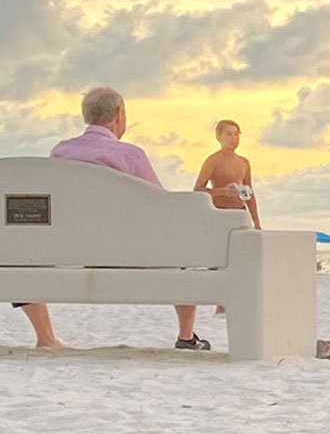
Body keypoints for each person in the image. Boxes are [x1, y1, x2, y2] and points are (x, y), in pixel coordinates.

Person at [32, 88, 207, 350]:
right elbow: (163, 207)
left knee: (27, 249)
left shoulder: (60, 152)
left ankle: (45, 338)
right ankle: (186, 337)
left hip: (71, 253)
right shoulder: (130, 155)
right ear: (119, 115)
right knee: (182, 253)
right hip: (128, 256)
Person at [193, 119, 261, 226]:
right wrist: (222, 191)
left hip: (240, 212)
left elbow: (250, 195)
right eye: (229, 134)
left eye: (236, 134)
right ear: (219, 137)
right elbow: (198, 190)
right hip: (220, 211)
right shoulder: (213, 160)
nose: (233, 138)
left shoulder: (243, 162)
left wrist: (256, 222)